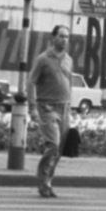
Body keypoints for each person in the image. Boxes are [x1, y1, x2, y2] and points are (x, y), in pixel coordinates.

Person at [26, 23, 74, 195]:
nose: (64, 39)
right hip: (46, 107)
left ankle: (47, 182)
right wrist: (32, 108)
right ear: (53, 38)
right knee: (53, 144)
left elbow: (69, 83)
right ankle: (42, 179)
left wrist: (71, 106)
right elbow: (31, 82)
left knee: (59, 149)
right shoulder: (43, 59)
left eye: (67, 36)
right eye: (61, 36)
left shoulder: (68, 60)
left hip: (65, 107)